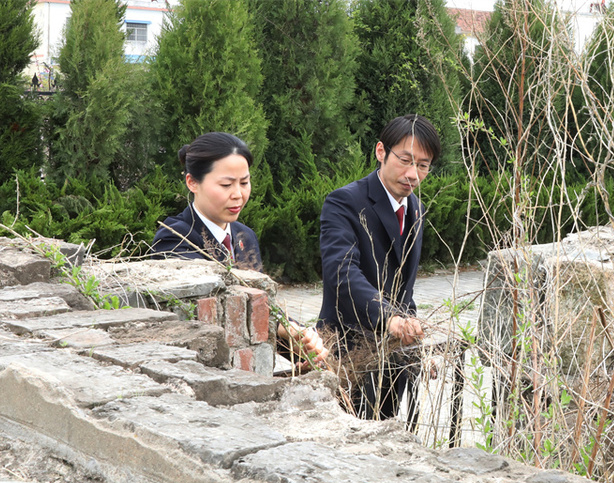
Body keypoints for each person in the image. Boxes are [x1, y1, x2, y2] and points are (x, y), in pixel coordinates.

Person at [151, 132, 328, 365]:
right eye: (226, 184)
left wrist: (302, 347)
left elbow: (260, 303)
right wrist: (285, 326)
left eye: (244, 182)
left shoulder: (244, 236)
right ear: (192, 182)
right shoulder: (175, 239)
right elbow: (222, 303)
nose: (238, 194)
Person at [317, 114, 441, 420]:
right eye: (405, 160)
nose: (413, 174)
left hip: (393, 355)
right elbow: (341, 273)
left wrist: (416, 346)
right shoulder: (345, 202)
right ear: (381, 152)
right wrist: (389, 318)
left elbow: (404, 287)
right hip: (348, 351)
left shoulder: (416, 209)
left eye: (423, 165)